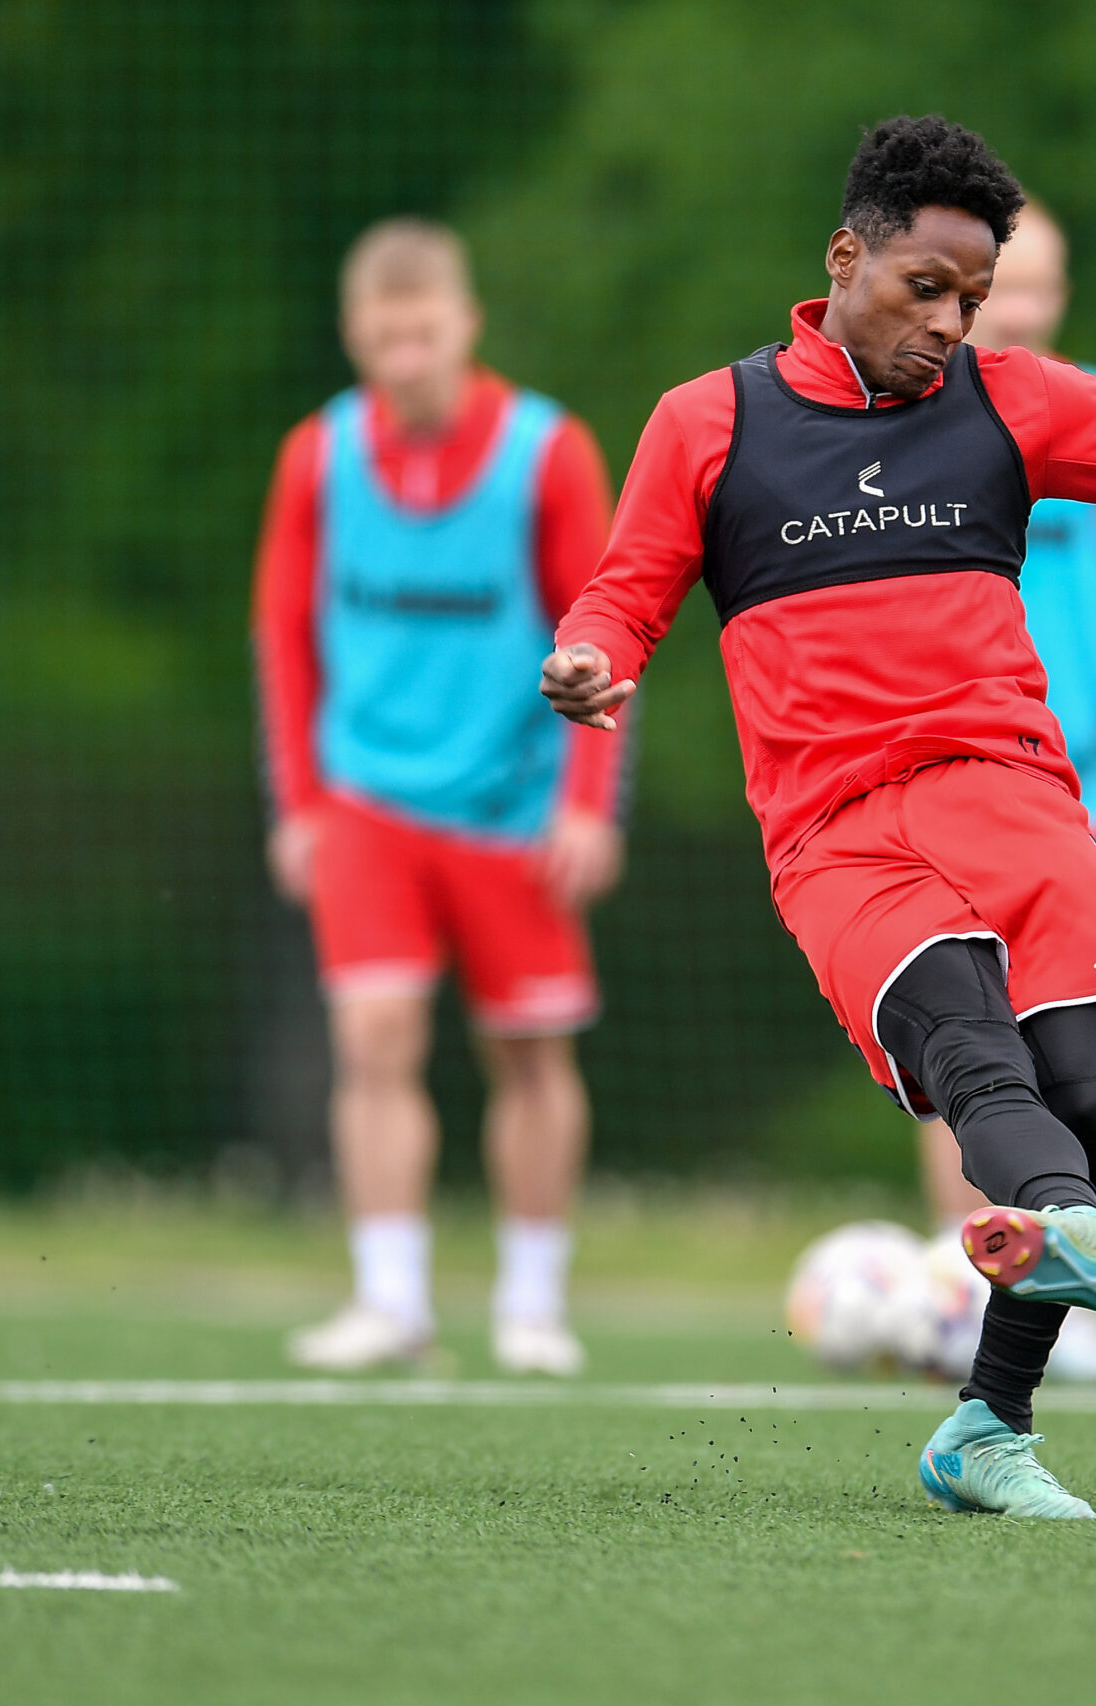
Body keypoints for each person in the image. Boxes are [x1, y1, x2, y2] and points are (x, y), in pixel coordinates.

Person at [537, 117, 1096, 1517]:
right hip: (836, 825)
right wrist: (591, 657)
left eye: (972, 298)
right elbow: (628, 590)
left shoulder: (1009, 403)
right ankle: (1071, 1224)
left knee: (1092, 1083)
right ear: (844, 259)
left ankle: (988, 1425)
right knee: (968, 1036)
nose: (951, 323)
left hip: (1014, 796)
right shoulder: (707, 421)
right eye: (927, 288)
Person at [254, 218, 626, 1377]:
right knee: (373, 1036)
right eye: (385, 337)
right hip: (365, 797)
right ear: (354, 335)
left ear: (465, 324)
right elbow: (283, 633)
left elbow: (603, 628)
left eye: (424, 333)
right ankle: (389, 1298)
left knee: (529, 1053)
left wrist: (589, 801)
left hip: (514, 802)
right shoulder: (317, 457)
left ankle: (531, 1304)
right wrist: (298, 801)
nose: (405, 358)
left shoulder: (547, 451)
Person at [909, 195, 1096, 1386]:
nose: (1018, 307)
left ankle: (1055, 1299)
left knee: (1078, 1059)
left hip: (1089, 785)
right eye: (998, 287)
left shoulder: (1092, 415)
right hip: (955, 785)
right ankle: (956, 1283)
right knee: (959, 1040)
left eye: (1039, 284)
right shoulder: (904, 420)